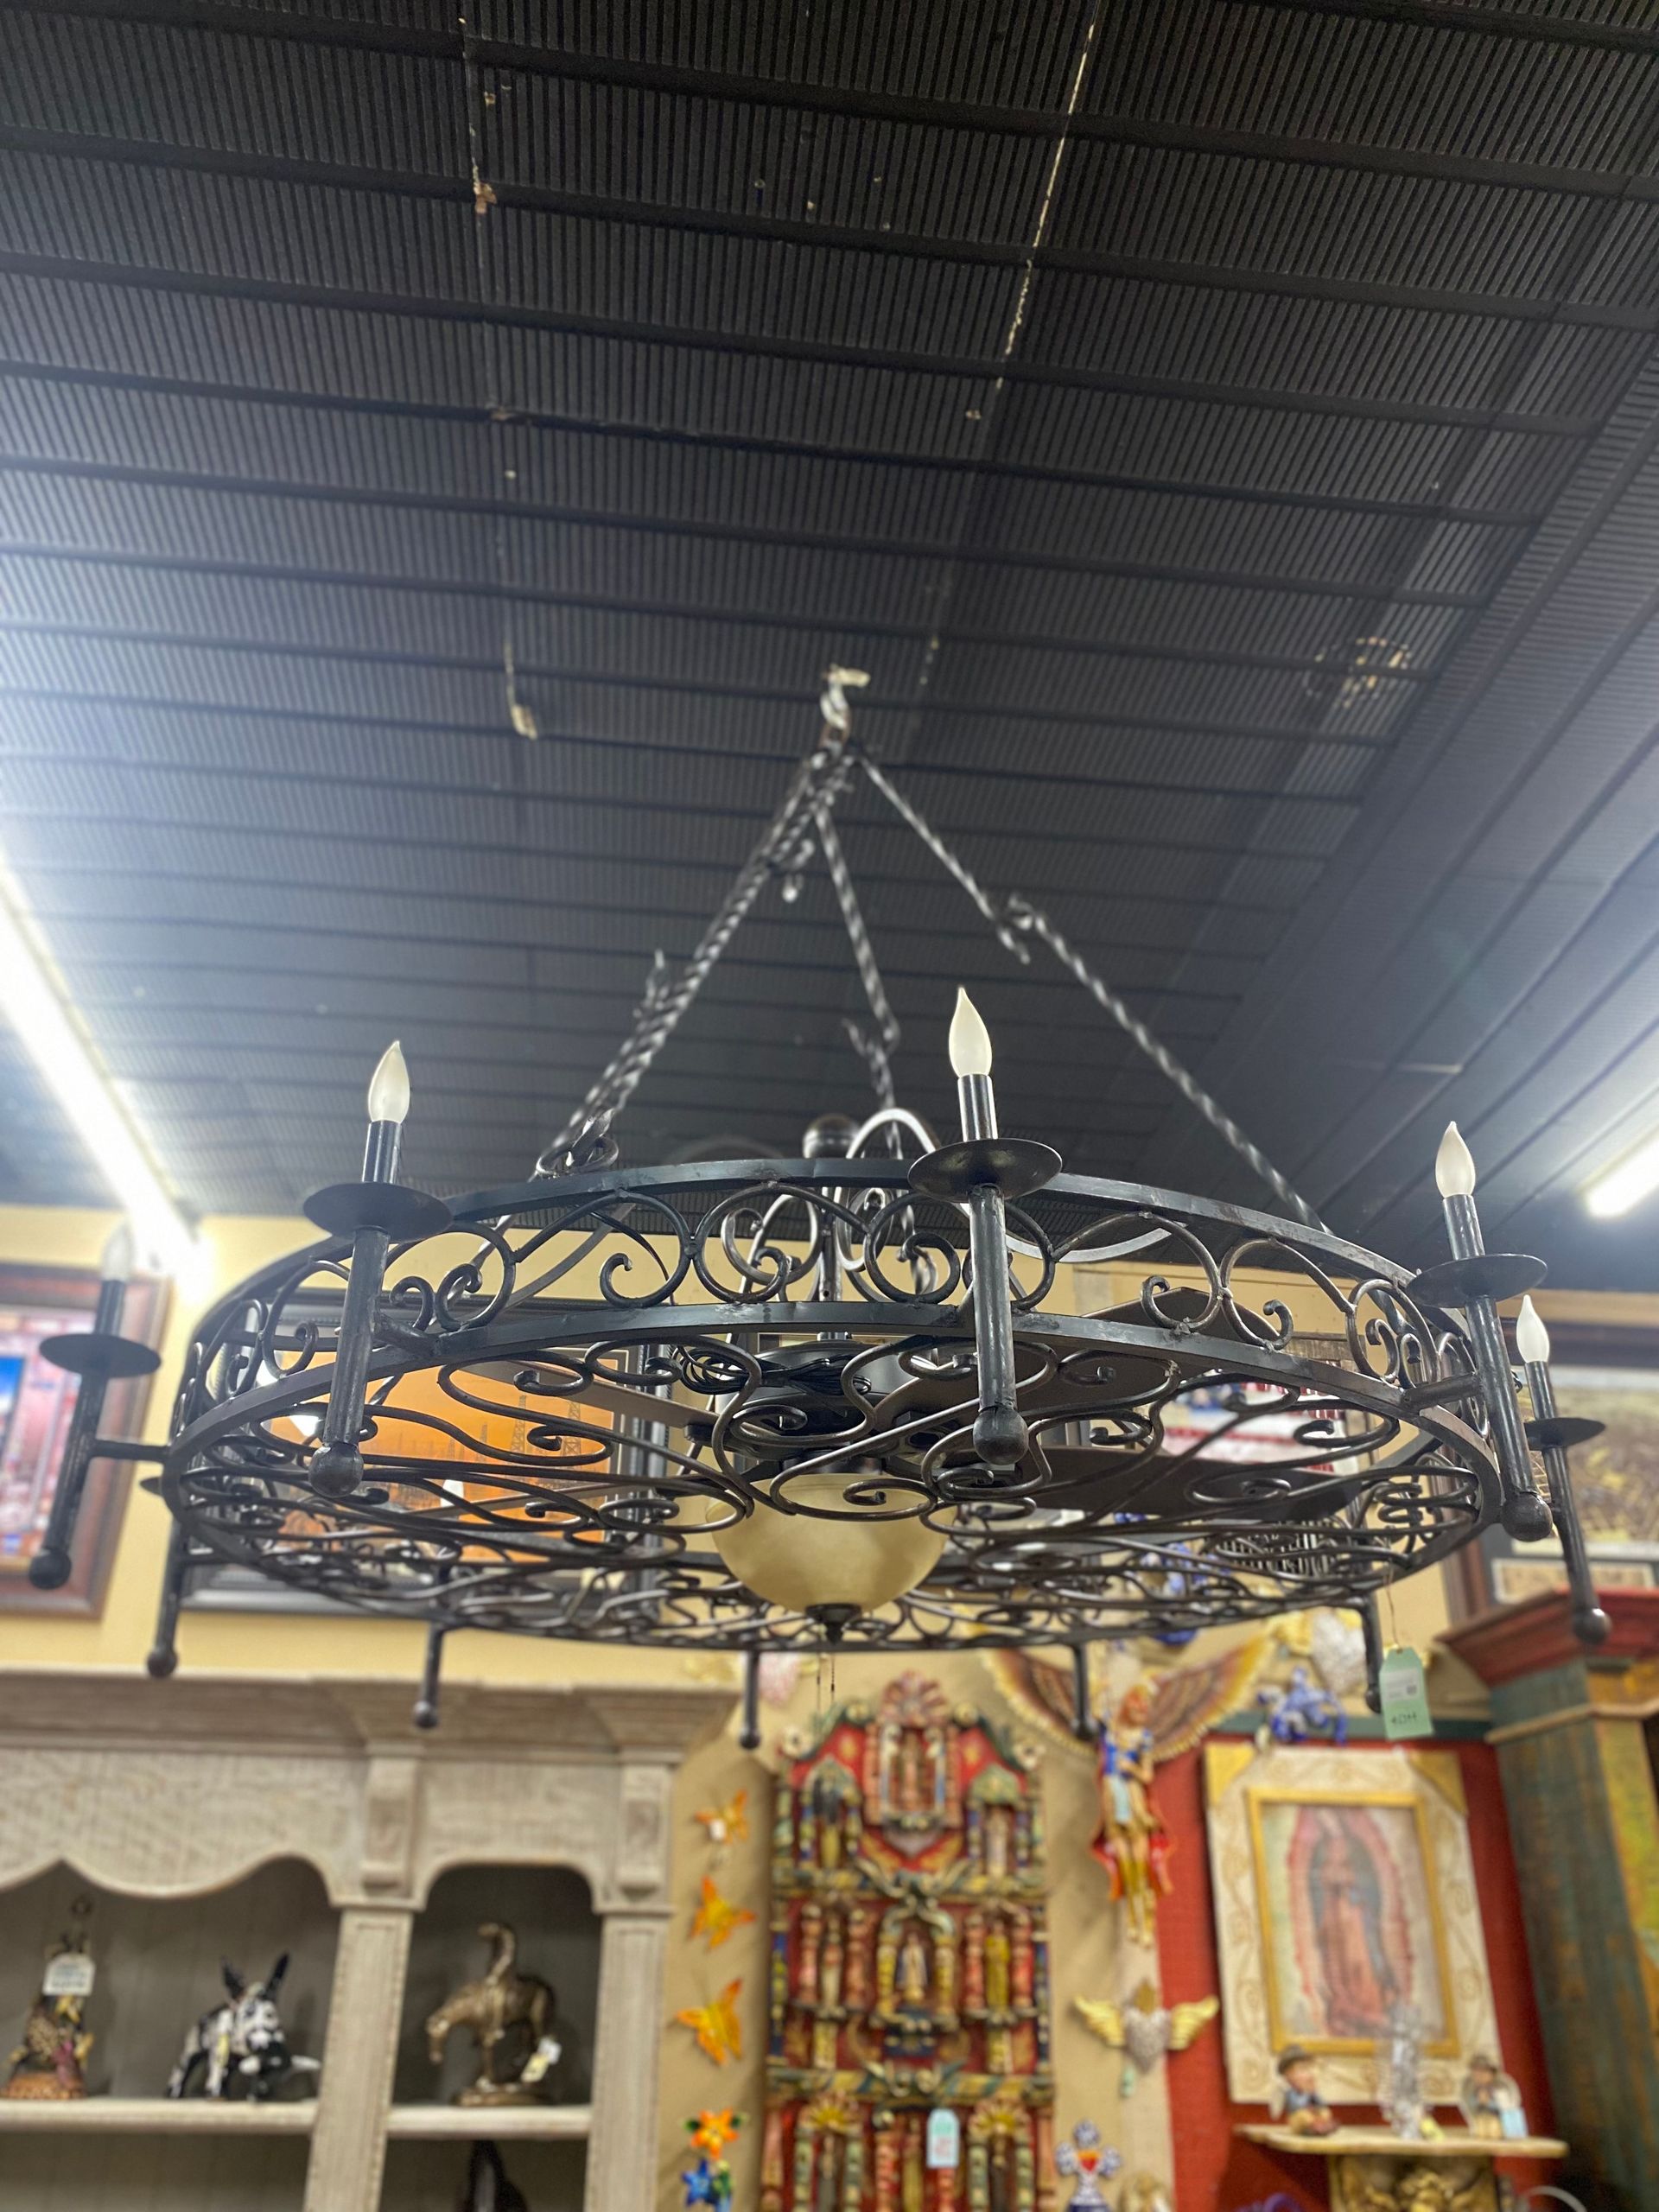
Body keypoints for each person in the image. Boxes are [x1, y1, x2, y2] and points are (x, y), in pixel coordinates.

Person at [1272, 2044, 1339, 2137]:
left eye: (1308, 2069)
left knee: (1325, 2112)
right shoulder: (1290, 2092)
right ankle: (1315, 2127)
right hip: (1298, 2119)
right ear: (1288, 2074)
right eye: (1302, 2069)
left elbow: (1321, 2104)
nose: (1308, 2074)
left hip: (1312, 2115)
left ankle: (1320, 2127)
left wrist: (1314, 2094)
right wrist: (1307, 2094)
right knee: (1303, 2115)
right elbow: (1296, 2106)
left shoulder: (1309, 2090)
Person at [1459, 2050, 1525, 2140]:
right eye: (1476, 2073)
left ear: (1492, 2073)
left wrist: (1489, 2102)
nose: (1479, 2076)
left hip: (1496, 2119)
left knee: (1494, 2128)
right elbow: (1470, 2104)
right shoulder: (1472, 2089)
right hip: (1481, 2118)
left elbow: (1506, 2106)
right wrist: (1478, 2101)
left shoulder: (1500, 2088)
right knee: (1481, 2130)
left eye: (1483, 2072)